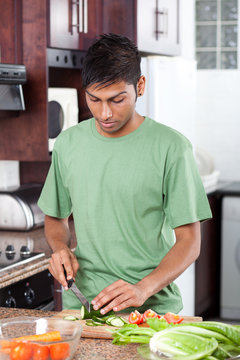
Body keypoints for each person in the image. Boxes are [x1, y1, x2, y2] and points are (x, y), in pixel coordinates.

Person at [38, 33, 212, 316]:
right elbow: (55, 218)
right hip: (84, 307)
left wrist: (143, 288)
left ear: (140, 86)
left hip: (151, 309)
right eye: (94, 99)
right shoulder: (68, 144)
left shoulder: (172, 147)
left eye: (117, 99)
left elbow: (190, 243)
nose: (104, 113)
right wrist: (60, 248)